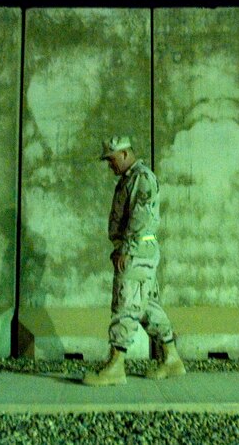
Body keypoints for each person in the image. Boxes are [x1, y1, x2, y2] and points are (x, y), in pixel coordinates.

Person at [82, 135, 186, 386]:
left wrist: (126, 248)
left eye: (112, 159)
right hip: (137, 250)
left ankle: (116, 366)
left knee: (125, 304)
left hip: (137, 251)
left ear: (126, 154)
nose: (110, 165)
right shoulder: (130, 179)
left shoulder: (141, 178)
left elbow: (141, 217)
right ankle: (172, 358)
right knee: (145, 305)